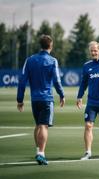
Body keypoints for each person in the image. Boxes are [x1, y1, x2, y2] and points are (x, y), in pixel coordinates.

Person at [16, 34, 65, 165]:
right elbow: (56, 80)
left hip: (34, 99)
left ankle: (38, 150)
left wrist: (20, 100)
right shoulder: (52, 61)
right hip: (46, 99)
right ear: (51, 45)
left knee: (38, 125)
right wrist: (62, 94)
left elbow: (22, 81)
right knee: (43, 126)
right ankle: (41, 153)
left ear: (40, 45)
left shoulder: (30, 60)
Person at [76, 41, 99, 160]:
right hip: (92, 102)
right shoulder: (87, 66)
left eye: (95, 50)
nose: (93, 52)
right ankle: (88, 152)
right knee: (88, 125)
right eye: (91, 50)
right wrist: (79, 96)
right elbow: (83, 83)